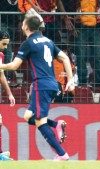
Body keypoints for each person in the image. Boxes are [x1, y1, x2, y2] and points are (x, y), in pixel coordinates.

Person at [0, 15, 75, 161]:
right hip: (53, 84)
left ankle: (62, 154)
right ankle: (56, 124)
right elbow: (65, 58)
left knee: (40, 121)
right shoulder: (48, 41)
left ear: (26, 26)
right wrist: (70, 79)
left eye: (23, 23)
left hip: (41, 85)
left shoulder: (28, 43)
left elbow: (14, 66)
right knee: (29, 116)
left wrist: (0, 66)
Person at [74, 0, 100, 87]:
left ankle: (99, 83)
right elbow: (72, 7)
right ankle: (82, 82)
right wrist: (73, 26)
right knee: (81, 56)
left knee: (98, 55)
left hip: (96, 27)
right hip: (80, 27)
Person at [0, 30, 16, 161]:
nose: (6, 47)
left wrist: (10, 93)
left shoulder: (0, 56)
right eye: (4, 44)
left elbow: (1, 75)